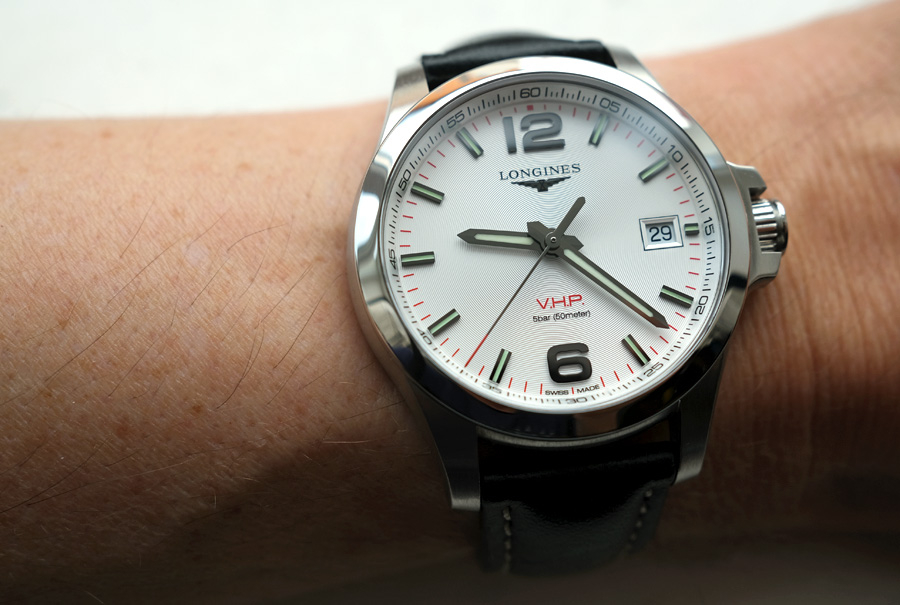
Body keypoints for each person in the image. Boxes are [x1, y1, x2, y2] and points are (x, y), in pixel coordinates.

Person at [1, 2, 898, 601]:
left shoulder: (711, 226)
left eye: (555, 242)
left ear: (754, 225)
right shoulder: (403, 212)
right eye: (545, 244)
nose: (554, 249)